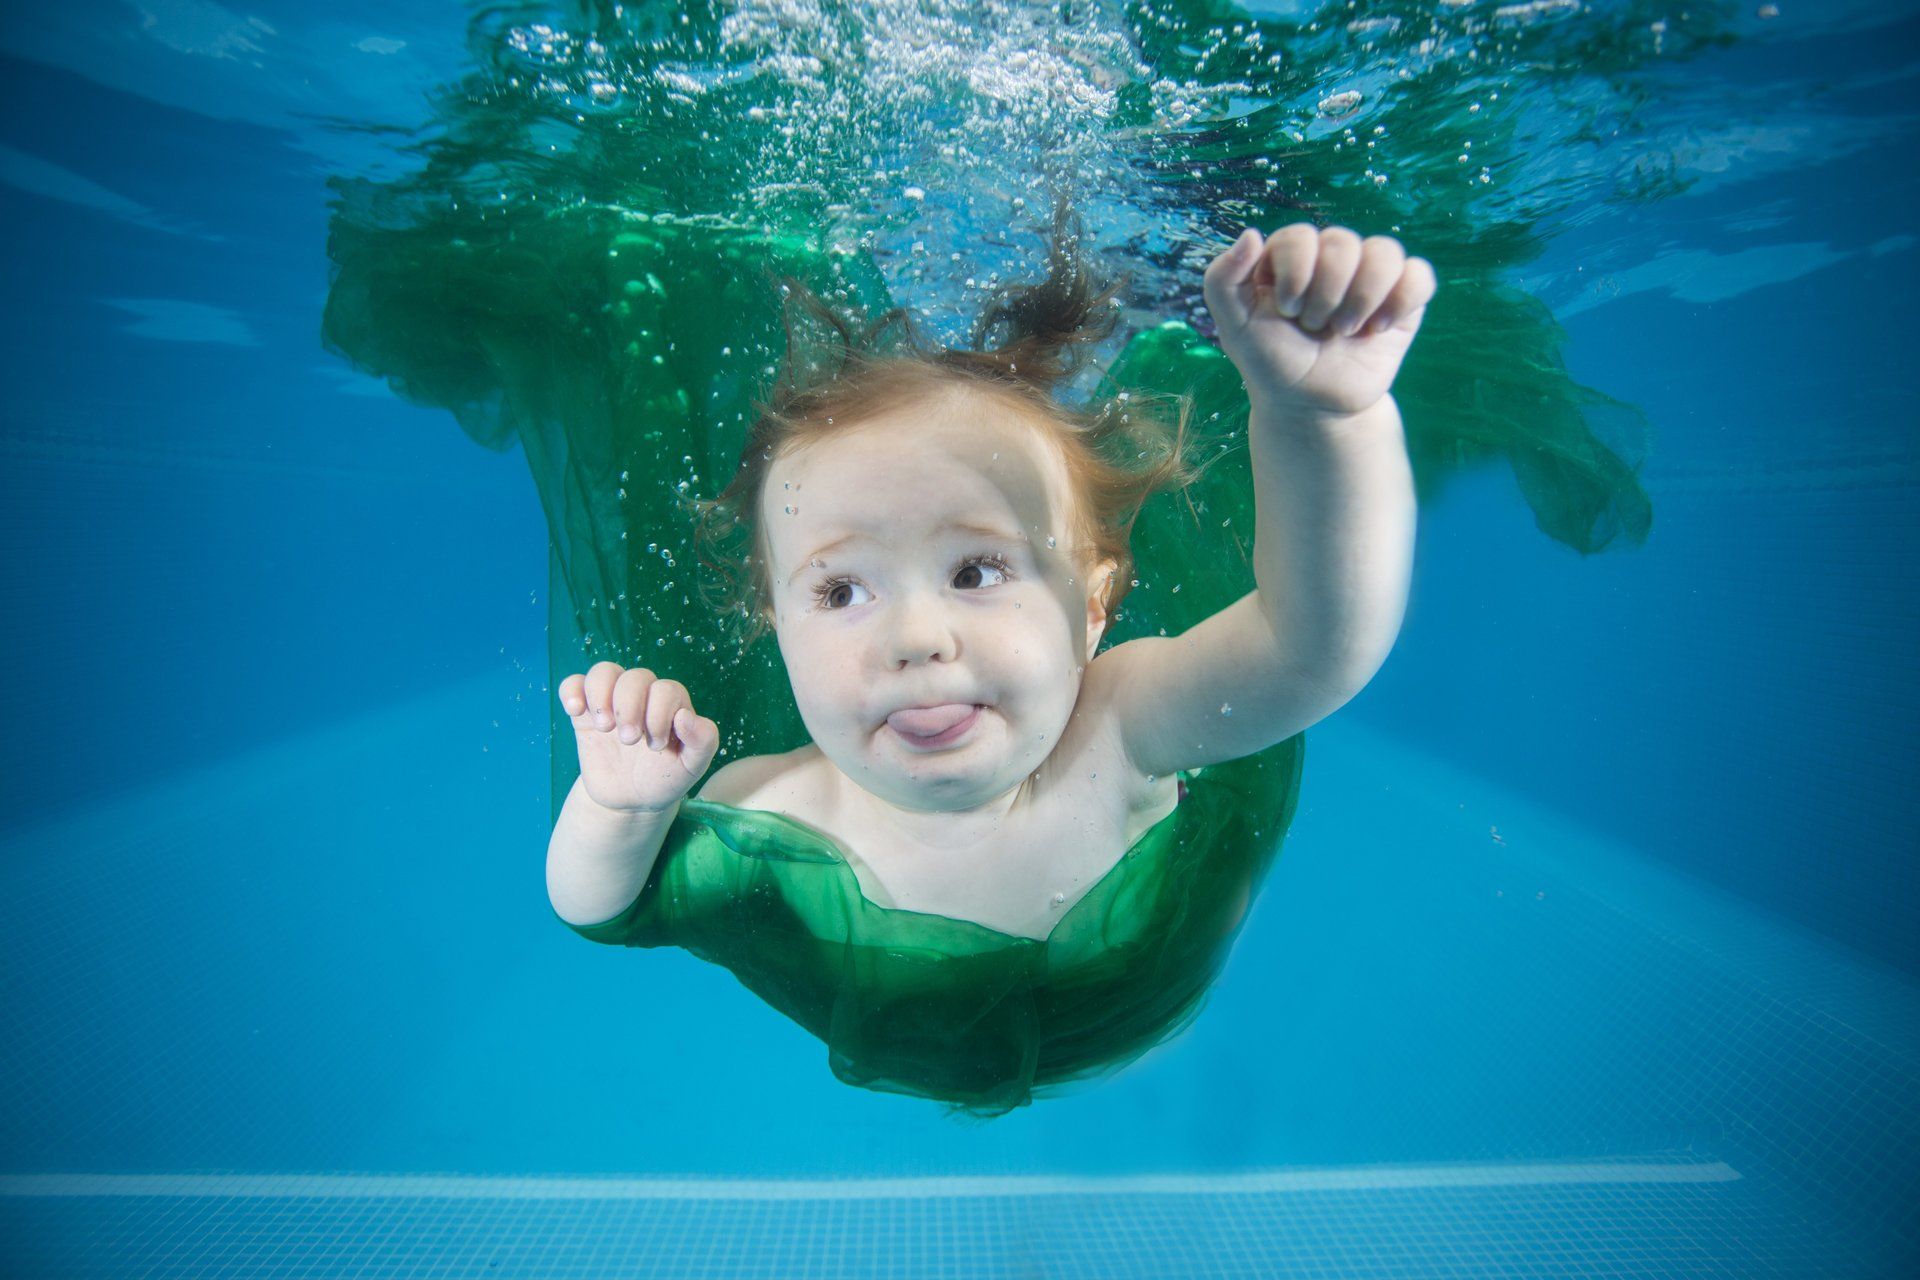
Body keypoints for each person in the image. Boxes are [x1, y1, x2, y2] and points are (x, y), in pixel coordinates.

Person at [546, 214, 1430, 1116]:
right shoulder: (772, 808)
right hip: (919, 1034)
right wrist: (623, 808)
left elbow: (1311, 650)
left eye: (976, 570)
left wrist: (1324, 417)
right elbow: (605, 909)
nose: (916, 637)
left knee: (1145, 1053)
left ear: (1094, 610)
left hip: (1140, 985)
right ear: (776, 628)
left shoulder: (1121, 728)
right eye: (842, 591)